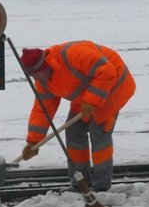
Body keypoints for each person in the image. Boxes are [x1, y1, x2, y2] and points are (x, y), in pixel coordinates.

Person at [19, 41, 136, 192]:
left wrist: (91, 101)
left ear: (42, 66)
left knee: (99, 133)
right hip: (87, 94)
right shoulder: (44, 81)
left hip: (113, 87)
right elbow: (43, 110)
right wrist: (34, 141)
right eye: (31, 76)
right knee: (74, 131)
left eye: (35, 74)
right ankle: (81, 183)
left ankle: (102, 185)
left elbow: (106, 71)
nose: (35, 78)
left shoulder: (72, 55)